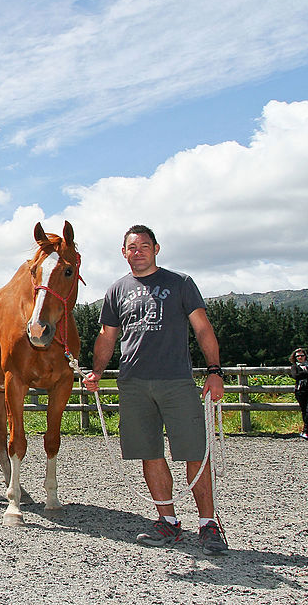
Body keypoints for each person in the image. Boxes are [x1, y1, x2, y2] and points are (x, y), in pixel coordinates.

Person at [82, 224, 227, 555]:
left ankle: (208, 525)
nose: (138, 251)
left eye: (144, 246)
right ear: (124, 253)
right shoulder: (116, 291)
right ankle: (169, 522)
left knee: (194, 453)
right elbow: (107, 336)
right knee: (150, 453)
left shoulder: (180, 283)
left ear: (156, 249)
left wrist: (215, 371)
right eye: (132, 247)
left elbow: (202, 328)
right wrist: (97, 373)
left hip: (177, 381)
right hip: (133, 384)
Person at [291, 348, 308, 440]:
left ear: (305, 356)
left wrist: (303, 374)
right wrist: (306, 373)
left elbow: (300, 375)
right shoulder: (294, 366)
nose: (300, 357)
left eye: (301, 355)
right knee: (304, 411)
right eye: (298, 356)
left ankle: (305, 430)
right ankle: (305, 431)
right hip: (300, 391)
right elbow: (295, 376)